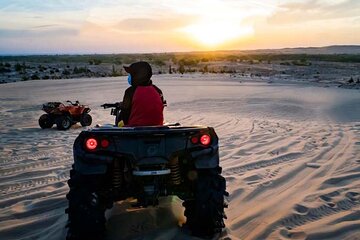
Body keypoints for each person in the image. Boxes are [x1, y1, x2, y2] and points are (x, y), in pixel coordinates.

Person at [119, 61, 165, 126]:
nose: (129, 76)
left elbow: (125, 114)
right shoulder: (158, 91)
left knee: (119, 123)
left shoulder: (130, 92)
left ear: (137, 76)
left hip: (134, 130)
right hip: (157, 127)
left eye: (131, 74)